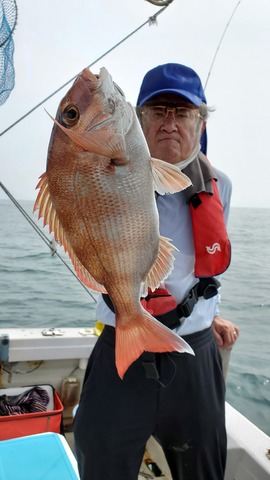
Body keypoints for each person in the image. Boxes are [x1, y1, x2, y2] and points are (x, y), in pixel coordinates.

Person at [74, 63, 239, 480]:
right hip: (120, 351)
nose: (170, 123)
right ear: (136, 119)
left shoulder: (220, 185)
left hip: (193, 353)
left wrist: (211, 312)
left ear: (201, 122)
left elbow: (199, 266)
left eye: (182, 112)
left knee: (203, 469)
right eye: (157, 111)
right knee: (100, 463)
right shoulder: (103, 170)